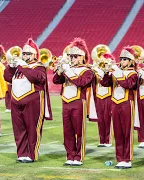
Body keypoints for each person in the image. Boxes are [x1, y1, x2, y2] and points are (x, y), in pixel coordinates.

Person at [3, 38, 53, 163]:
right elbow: (7, 77)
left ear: (34, 54)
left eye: (28, 54)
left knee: (32, 129)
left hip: (33, 103)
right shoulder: (18, 66)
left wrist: (21, 65)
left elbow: (37, 78)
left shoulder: (39, 66)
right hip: (16, 102)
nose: (25, 56)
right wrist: (11, 67)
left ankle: (31, 154)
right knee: (18, 129)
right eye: (24, 53)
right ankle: (21, 153)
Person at [53, 38, 95, 166]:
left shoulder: (87, 71)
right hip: (65, 102)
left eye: (75, 56)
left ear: (82, 57)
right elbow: (56, 80)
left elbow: (80, 82)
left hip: (78, 103)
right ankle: (70, 155)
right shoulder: (67, 69)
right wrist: (60, 71)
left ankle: (78, 156)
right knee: (67, 131)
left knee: (79, 130)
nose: (71, 58)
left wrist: (67, 70)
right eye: (70, 56)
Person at [96, 46, 138, 169]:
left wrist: (117, 72)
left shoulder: (133, 73)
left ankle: (127, 159)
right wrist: (105, 73)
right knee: (118, 132)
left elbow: (127, 84)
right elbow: (104, 83)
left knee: (126, 132)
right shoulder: (116, 71)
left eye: (125, 59)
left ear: (130, 61)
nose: (122, 61)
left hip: (126, 104)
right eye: (121, 59)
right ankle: (120, 158)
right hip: (115, 103)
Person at [91, 46, 114, 148]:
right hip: (99, 95)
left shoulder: (111, 69)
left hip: (109, 95)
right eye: (100, 57)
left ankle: (108, 140)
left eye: (104, 57)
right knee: (100, 118)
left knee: (107, 118)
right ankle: (102, 139)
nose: (102, 59)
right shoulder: (96, 69)